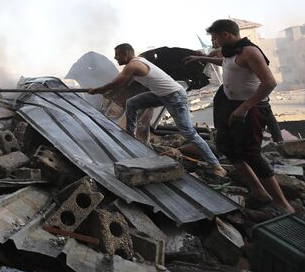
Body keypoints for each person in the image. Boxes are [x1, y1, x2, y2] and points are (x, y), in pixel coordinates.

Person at [183, 19, 294, 213]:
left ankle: (283, 204)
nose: (213, 41)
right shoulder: (231, 52)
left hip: (250, 107)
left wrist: (245, 107)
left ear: (226, 34)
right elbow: (227, 64)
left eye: (215, 37)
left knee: (251, 153)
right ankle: (259, 192)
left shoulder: (249, 51)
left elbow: (269, 83)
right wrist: (203, 59)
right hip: (229, 104)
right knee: (228, 147)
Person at [89, 43, 226, 177]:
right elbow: (124, 84)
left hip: (174, 96)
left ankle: (216, 166)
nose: (115, 58)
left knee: (188, 132)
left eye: (117, 55)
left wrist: (98, 90)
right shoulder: (138, 62)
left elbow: (117, 83)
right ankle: (130, 137)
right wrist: (108, 92)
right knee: (132, 103)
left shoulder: (133, 65)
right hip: (162, 94)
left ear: (126, 54)